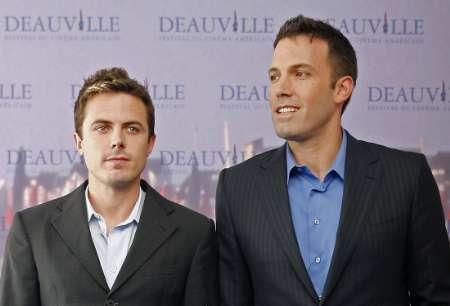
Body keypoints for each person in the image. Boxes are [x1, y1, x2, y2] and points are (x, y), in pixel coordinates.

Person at [216, 15, 450, 305]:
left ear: (342, 88)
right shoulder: (237, 188)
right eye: (274, 76)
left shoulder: (406, 177)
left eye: (300, 74)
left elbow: (436, 298)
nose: (280, 89)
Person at [0, 67, 218, 306]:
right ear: (79, 142)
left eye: (132, 128)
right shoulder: (32, 231)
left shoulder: (194, 233)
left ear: (150, 143)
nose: (117, 141)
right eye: (102, 127)